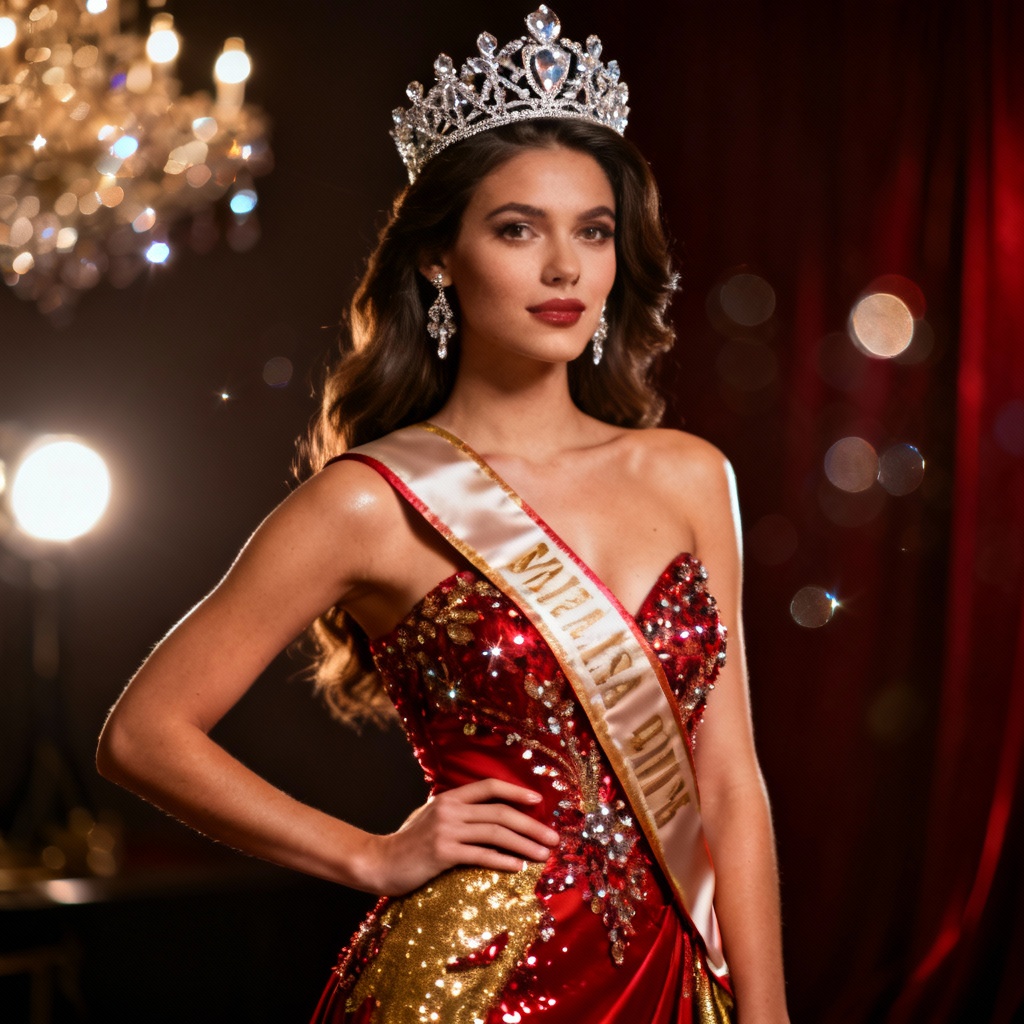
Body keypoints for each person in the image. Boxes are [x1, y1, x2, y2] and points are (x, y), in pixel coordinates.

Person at [97, 7, 790, 1022]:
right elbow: (142, 734)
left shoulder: (689, 476)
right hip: (473, 978)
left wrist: (766, 1012)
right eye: (518, 229)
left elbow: (730, 779)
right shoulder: (368, 502)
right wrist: (369, 853)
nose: (565, 269)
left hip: (679, 976)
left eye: (592, 231)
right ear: (437, 259)